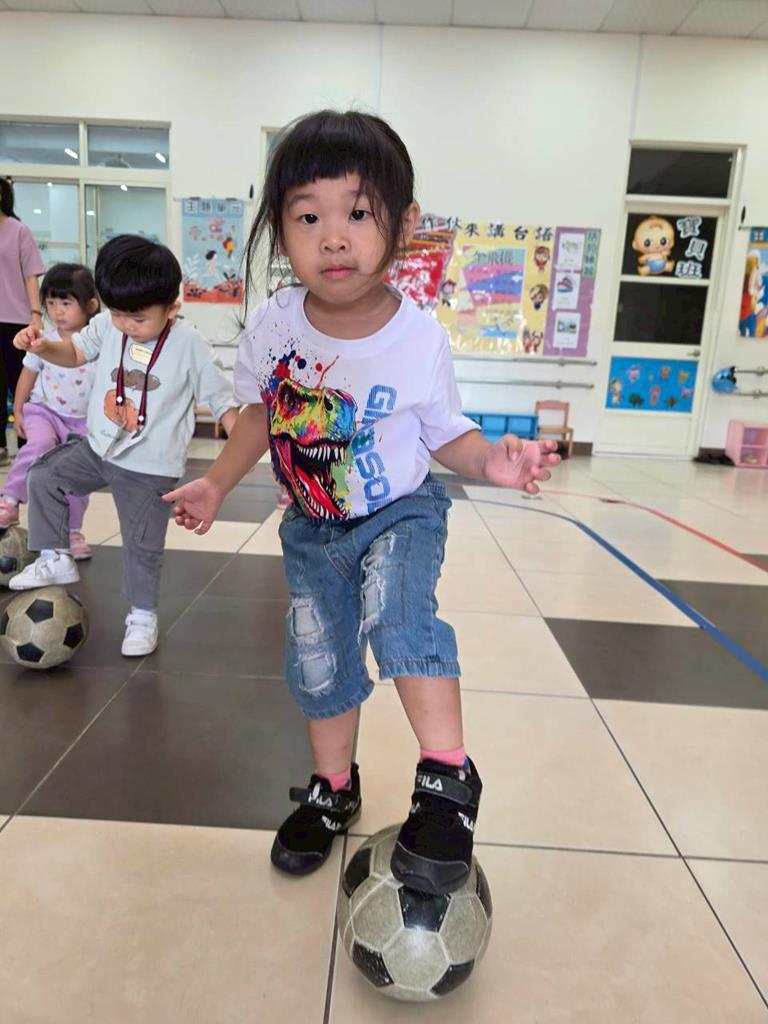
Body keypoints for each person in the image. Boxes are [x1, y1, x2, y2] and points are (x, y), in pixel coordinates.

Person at [164, 110, 560, 895]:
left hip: (401, 513)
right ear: (280, 230)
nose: (334, 239)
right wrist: (216, 481)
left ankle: (447, 781)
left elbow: (448, 435)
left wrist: (492, 460)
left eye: (358, 213)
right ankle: (333, 790)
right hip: (312, 526)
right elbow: (259, 418)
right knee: (319, 662)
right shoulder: (273, 326)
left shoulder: (418, 339)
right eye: (308, 217)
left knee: (397, 616)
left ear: (404, 224)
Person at [10, 234, 239, 657]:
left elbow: (223, 401)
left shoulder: (189, 344)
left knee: (142, 546)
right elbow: (74, 354)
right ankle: (56, 555)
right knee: (44, 475)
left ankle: (143, 616)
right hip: (99, 448)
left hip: (150, 467)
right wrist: (44, 348)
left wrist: (237, 450)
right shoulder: (106, 326)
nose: (126, 326)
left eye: (137, 318)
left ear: (172, 308)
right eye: (117, 314)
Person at [0, 263, 99, 558]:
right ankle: (10, 499)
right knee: (40, 444)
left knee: (76, 474)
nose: (57, 311)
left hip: (82, 423)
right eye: (51, 303)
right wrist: (19, 411)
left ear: (90, 306)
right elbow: (27, 376)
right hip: (44, 411)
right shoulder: (43, 341)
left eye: (66, 304)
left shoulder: (98, 342)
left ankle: (72, 531)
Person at [0, 177, 46, 466]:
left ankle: (28, 442)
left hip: (17, 320)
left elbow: (31, 276)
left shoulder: (19, 230)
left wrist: (36, 315)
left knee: (22, 383)